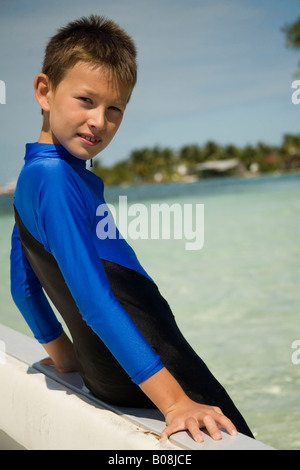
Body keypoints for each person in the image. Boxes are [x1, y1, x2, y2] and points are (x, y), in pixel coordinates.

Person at [10, 15, 253, 443]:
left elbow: (22, 286)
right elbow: (95, 301)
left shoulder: (31, 176)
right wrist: (175, 402)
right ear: (44, 92)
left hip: (111, 371)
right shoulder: (57, 178)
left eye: (114, 109)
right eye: (86, 100)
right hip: (156, 364)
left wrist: (65, 355)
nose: (99, 121)